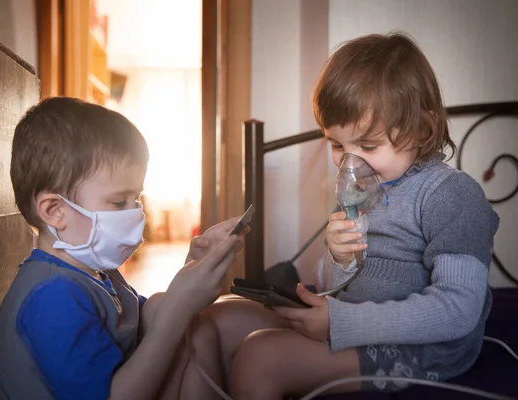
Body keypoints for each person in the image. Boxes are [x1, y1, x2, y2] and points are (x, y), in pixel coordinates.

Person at [203, 32, 500, 399]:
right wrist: (339, 258)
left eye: (369, 145)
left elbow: (457, 310)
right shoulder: (360, 185)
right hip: (349, 317)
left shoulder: (451, 196)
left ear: (421, 129)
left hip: (420, 349)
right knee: (218, 319)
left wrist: (341, 323)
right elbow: (331, 285)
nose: (348, 161)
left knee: (260, 357)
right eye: (336, 144)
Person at [0, 97, 246, 400]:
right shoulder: (52, 297)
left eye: (135, 199)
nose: (135, 212)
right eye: (118, 202)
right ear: (54, 211)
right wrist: (176, 311)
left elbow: (145, 318)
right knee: (191, 330)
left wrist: (192, 272)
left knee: (196, 328)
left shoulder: (98, 273)